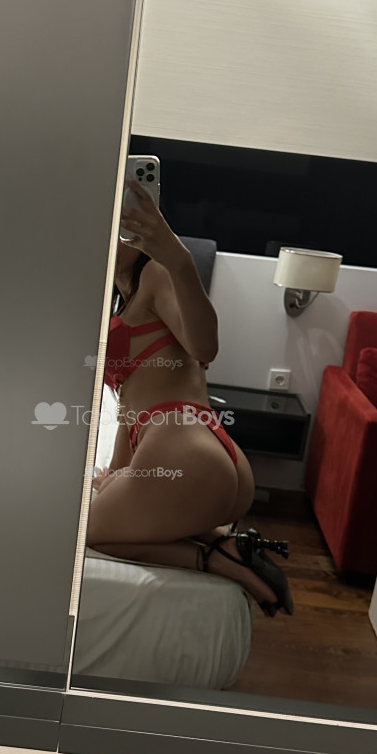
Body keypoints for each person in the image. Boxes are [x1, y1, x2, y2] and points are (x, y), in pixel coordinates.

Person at [85, 178, 293, 616]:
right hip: (203, 455)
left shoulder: (158, 274)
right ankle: (225, 542)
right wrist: (119, 475)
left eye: (119, 227)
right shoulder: (125, 298)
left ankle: (218, 557)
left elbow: (204, 347)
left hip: (184, 454)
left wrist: (178, 260)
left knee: (90, 531)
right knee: (107, 507)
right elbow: (128, 405)